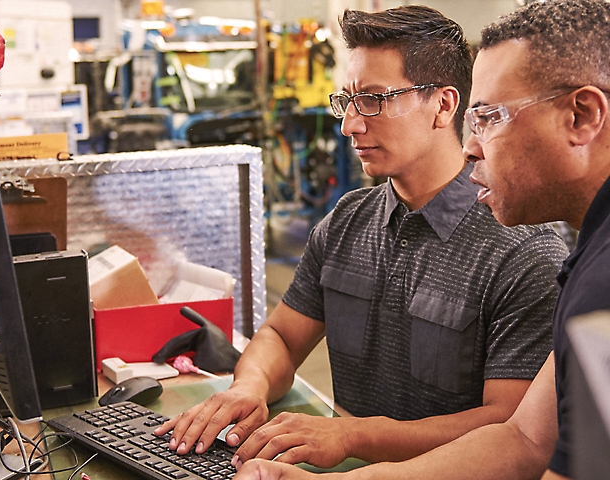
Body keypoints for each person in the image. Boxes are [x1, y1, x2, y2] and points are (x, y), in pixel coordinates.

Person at [155, 5, 568, 470]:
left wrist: (353, 434)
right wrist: (248, 388)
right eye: (348, 100)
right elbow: (283, 338)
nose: (351, 123)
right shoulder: (348, 220)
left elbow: (508, 428)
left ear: (444, 105)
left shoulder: (521, 251)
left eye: (375, 99)